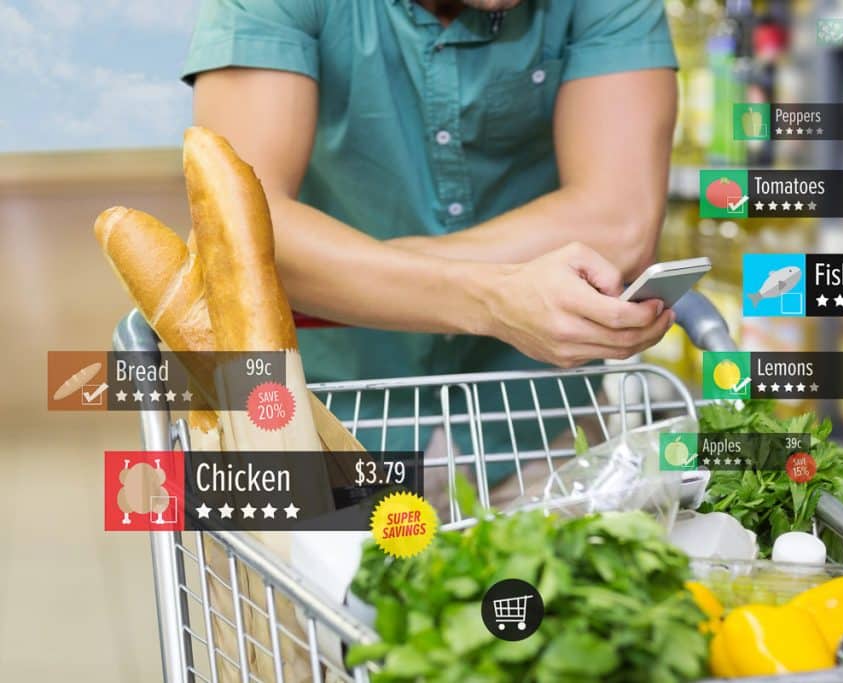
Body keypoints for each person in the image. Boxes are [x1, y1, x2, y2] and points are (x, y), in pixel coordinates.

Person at [183, 0, 679, 485]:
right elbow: (242, 235)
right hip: (320, 422)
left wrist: (331, 268)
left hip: (538, 427)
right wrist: (490, 298)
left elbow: (619, 225)